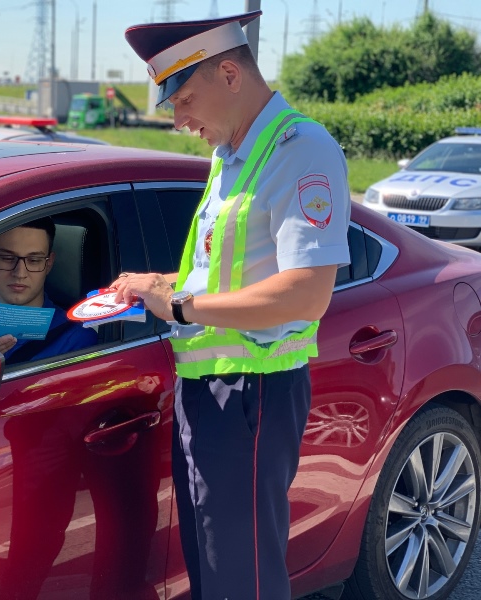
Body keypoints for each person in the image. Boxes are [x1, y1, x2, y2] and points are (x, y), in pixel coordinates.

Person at [114, 10, 351, 600]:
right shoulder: (232, 153)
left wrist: (183, 307)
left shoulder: (301, 150)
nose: (179, 119)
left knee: (240, 580)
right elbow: (224, 272)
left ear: (228, 73)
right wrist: (157, 283)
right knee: (213, 569)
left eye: (184, 98)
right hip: (210, 388)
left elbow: (306, 291)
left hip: (252, 393)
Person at [0, 216, 97, 363]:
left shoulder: (77, 339)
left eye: (34, 260)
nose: (20, 273)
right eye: (8, 258)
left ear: (48, 264)